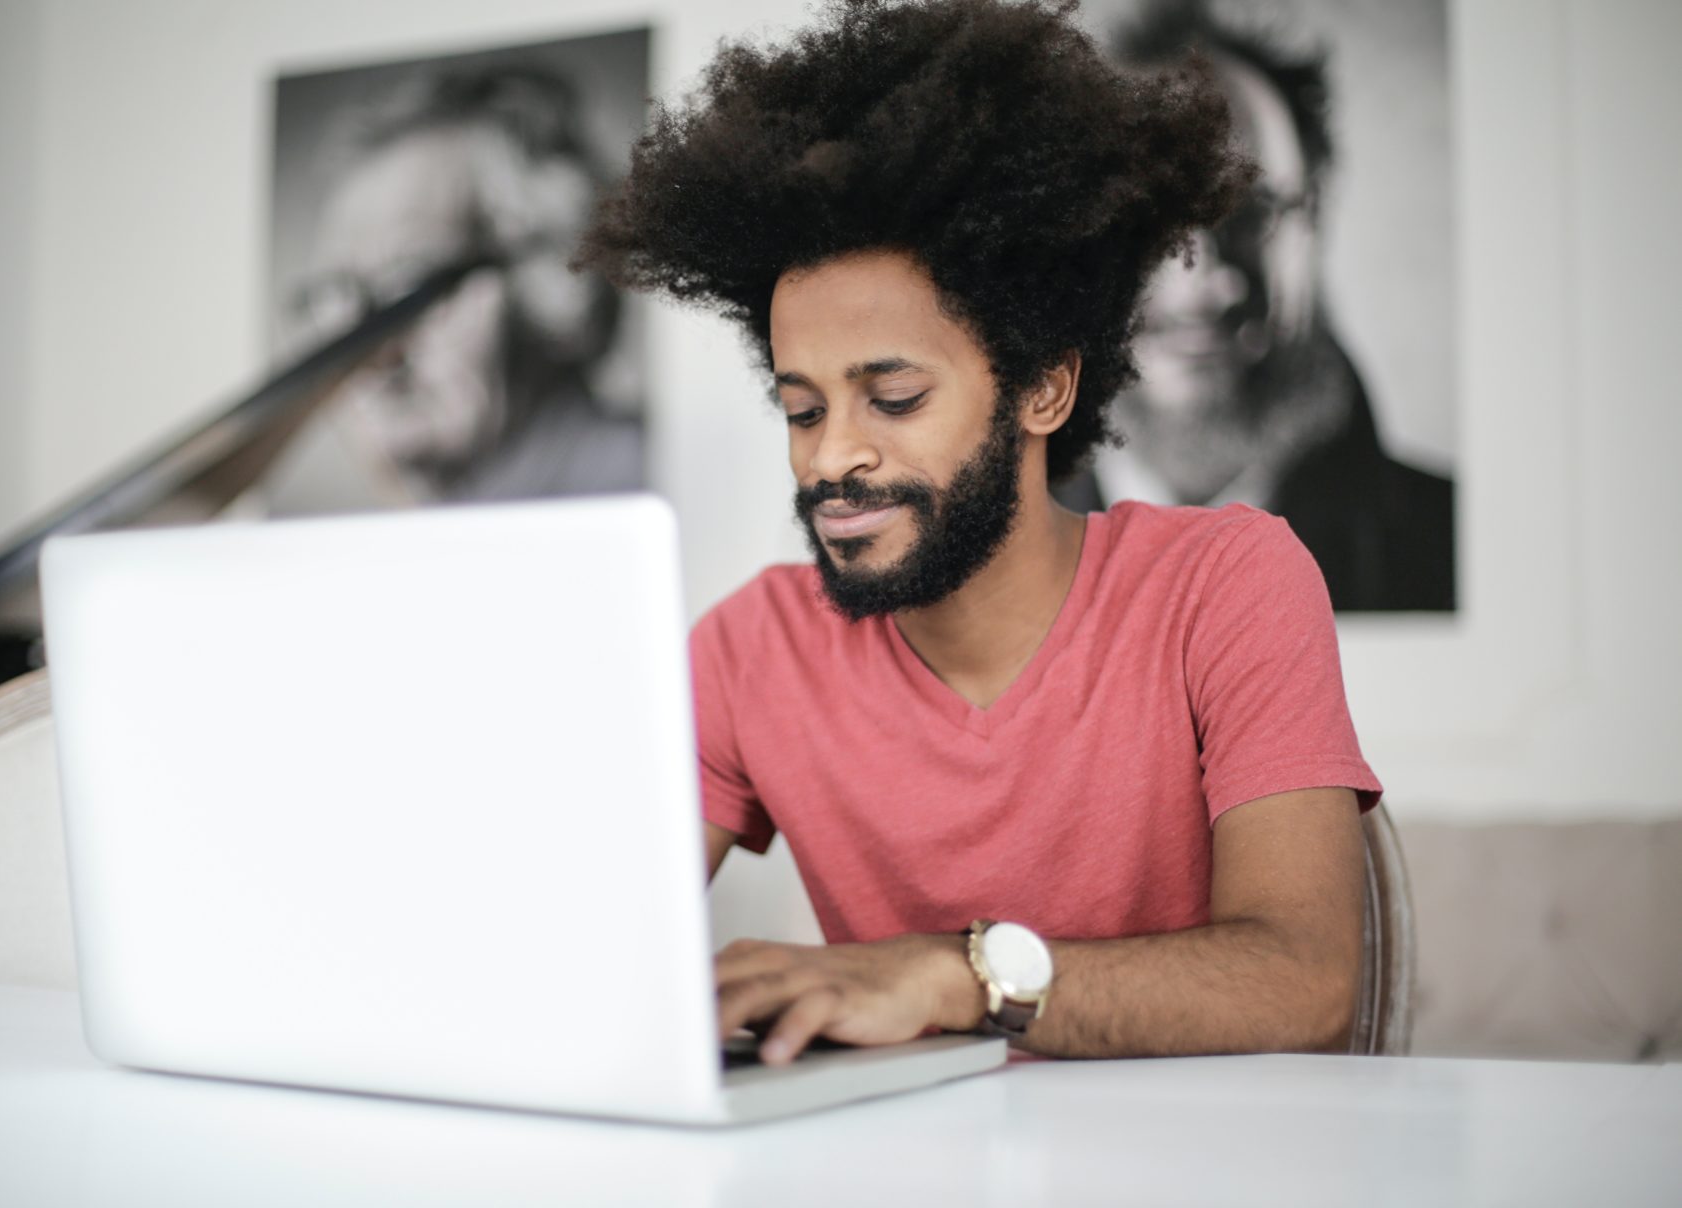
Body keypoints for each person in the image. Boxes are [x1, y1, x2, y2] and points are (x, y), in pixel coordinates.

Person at [578, 0, 1383, 1063]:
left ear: (1043, 388)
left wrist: (957, 974)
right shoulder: (749, 650)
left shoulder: (1228, 584)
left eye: (895, 397)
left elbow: (1305, 981)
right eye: (803, 408)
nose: (830, 459)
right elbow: (587, 952)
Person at [1052, 0, 1456, 611]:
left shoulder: (1453, 550)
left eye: (1251, 212)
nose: (1200, 280)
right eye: (1144, 217)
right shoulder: (962, 573)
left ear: (1315, 216)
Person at [285, 65, 644, 504]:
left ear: (554, 281)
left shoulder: (643, 488)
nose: (365, 357)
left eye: (409, 288)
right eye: (333, 297)